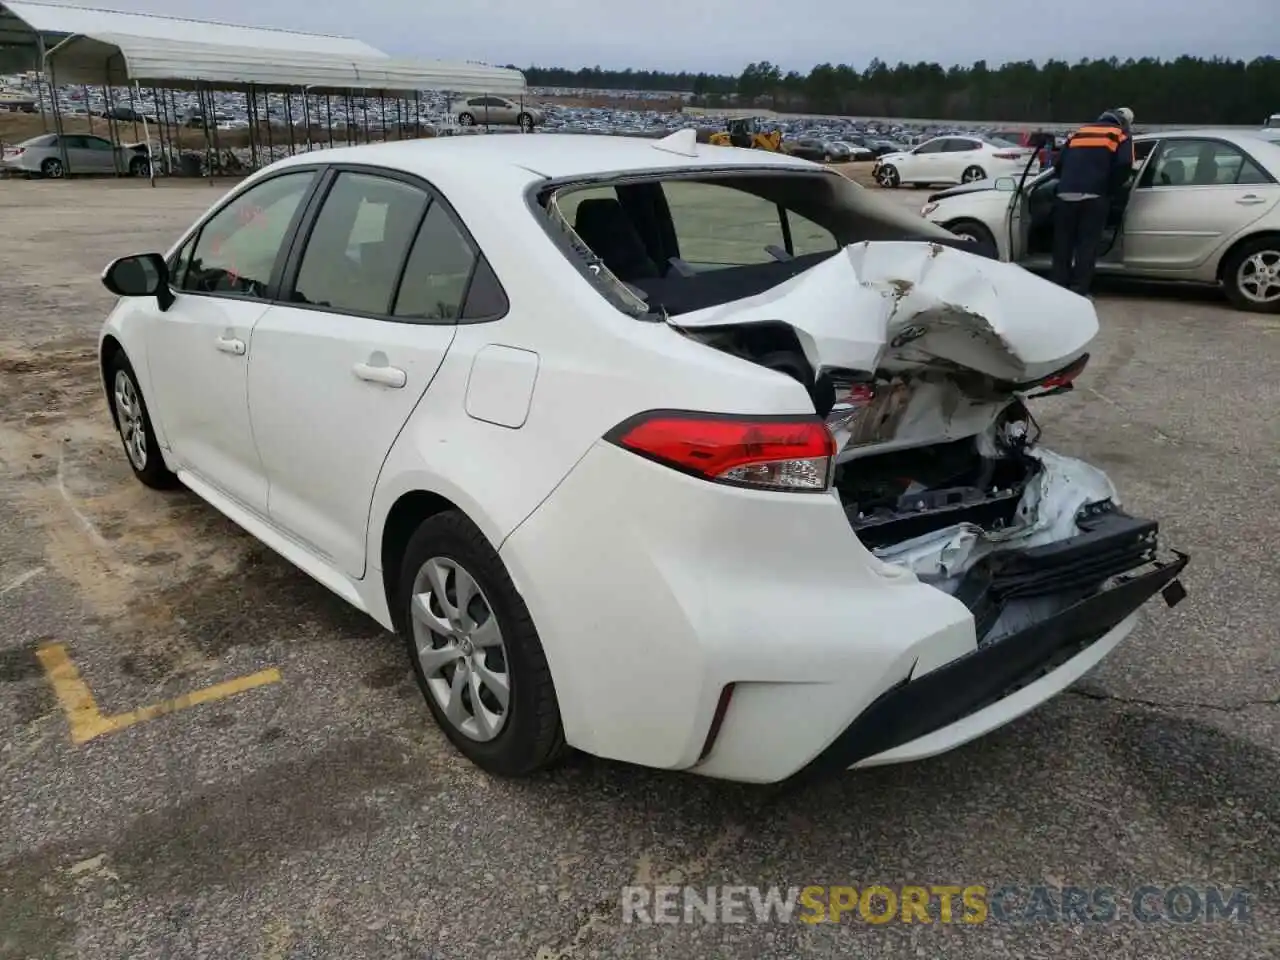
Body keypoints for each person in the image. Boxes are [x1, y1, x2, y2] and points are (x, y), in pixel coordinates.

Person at [1050, 107, 1135, 297]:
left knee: (1062, 245)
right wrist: (1110, 189)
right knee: (1086, 246)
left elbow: (1058, 164)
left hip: (1065, 196)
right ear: (1122, 122)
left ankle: (1057, 289)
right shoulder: (1119, 135)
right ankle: (1079, 291)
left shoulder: (1079, 133)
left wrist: (1067, 182)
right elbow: (1124, 165)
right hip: (1094, 197)